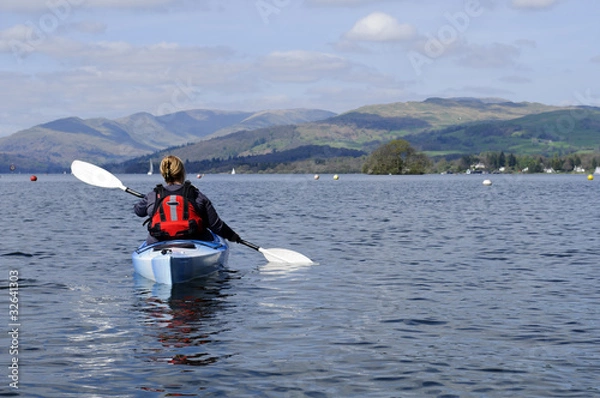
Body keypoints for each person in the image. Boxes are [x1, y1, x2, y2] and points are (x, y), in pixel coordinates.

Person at [134, 155, 241, 245]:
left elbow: (138, 211)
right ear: (182, 173)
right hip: (195, 242)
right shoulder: (196, 195)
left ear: (163, 174)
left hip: (158, 243)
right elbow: (216, 226)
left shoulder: (153, 195)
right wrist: (233, 237)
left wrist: (148, 200)